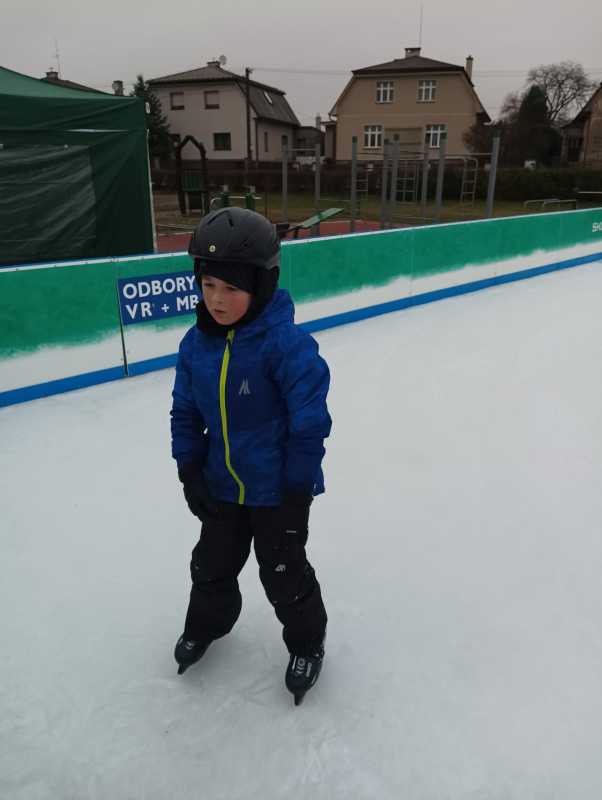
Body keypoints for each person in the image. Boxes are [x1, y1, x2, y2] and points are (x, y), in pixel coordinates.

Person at [170, 207, 332, 704]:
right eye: (208, 284)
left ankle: (307, 642)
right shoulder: (195, 345)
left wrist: (297, 495)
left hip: (276, 491)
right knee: (211, 565)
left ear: (261, 286)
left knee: (283, 574)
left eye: (231, 288)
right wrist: (189, 468)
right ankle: (208, 625)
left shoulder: (287, 347)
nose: (216, 299)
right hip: (221, 485)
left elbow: (309, 425)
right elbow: (184, 411)